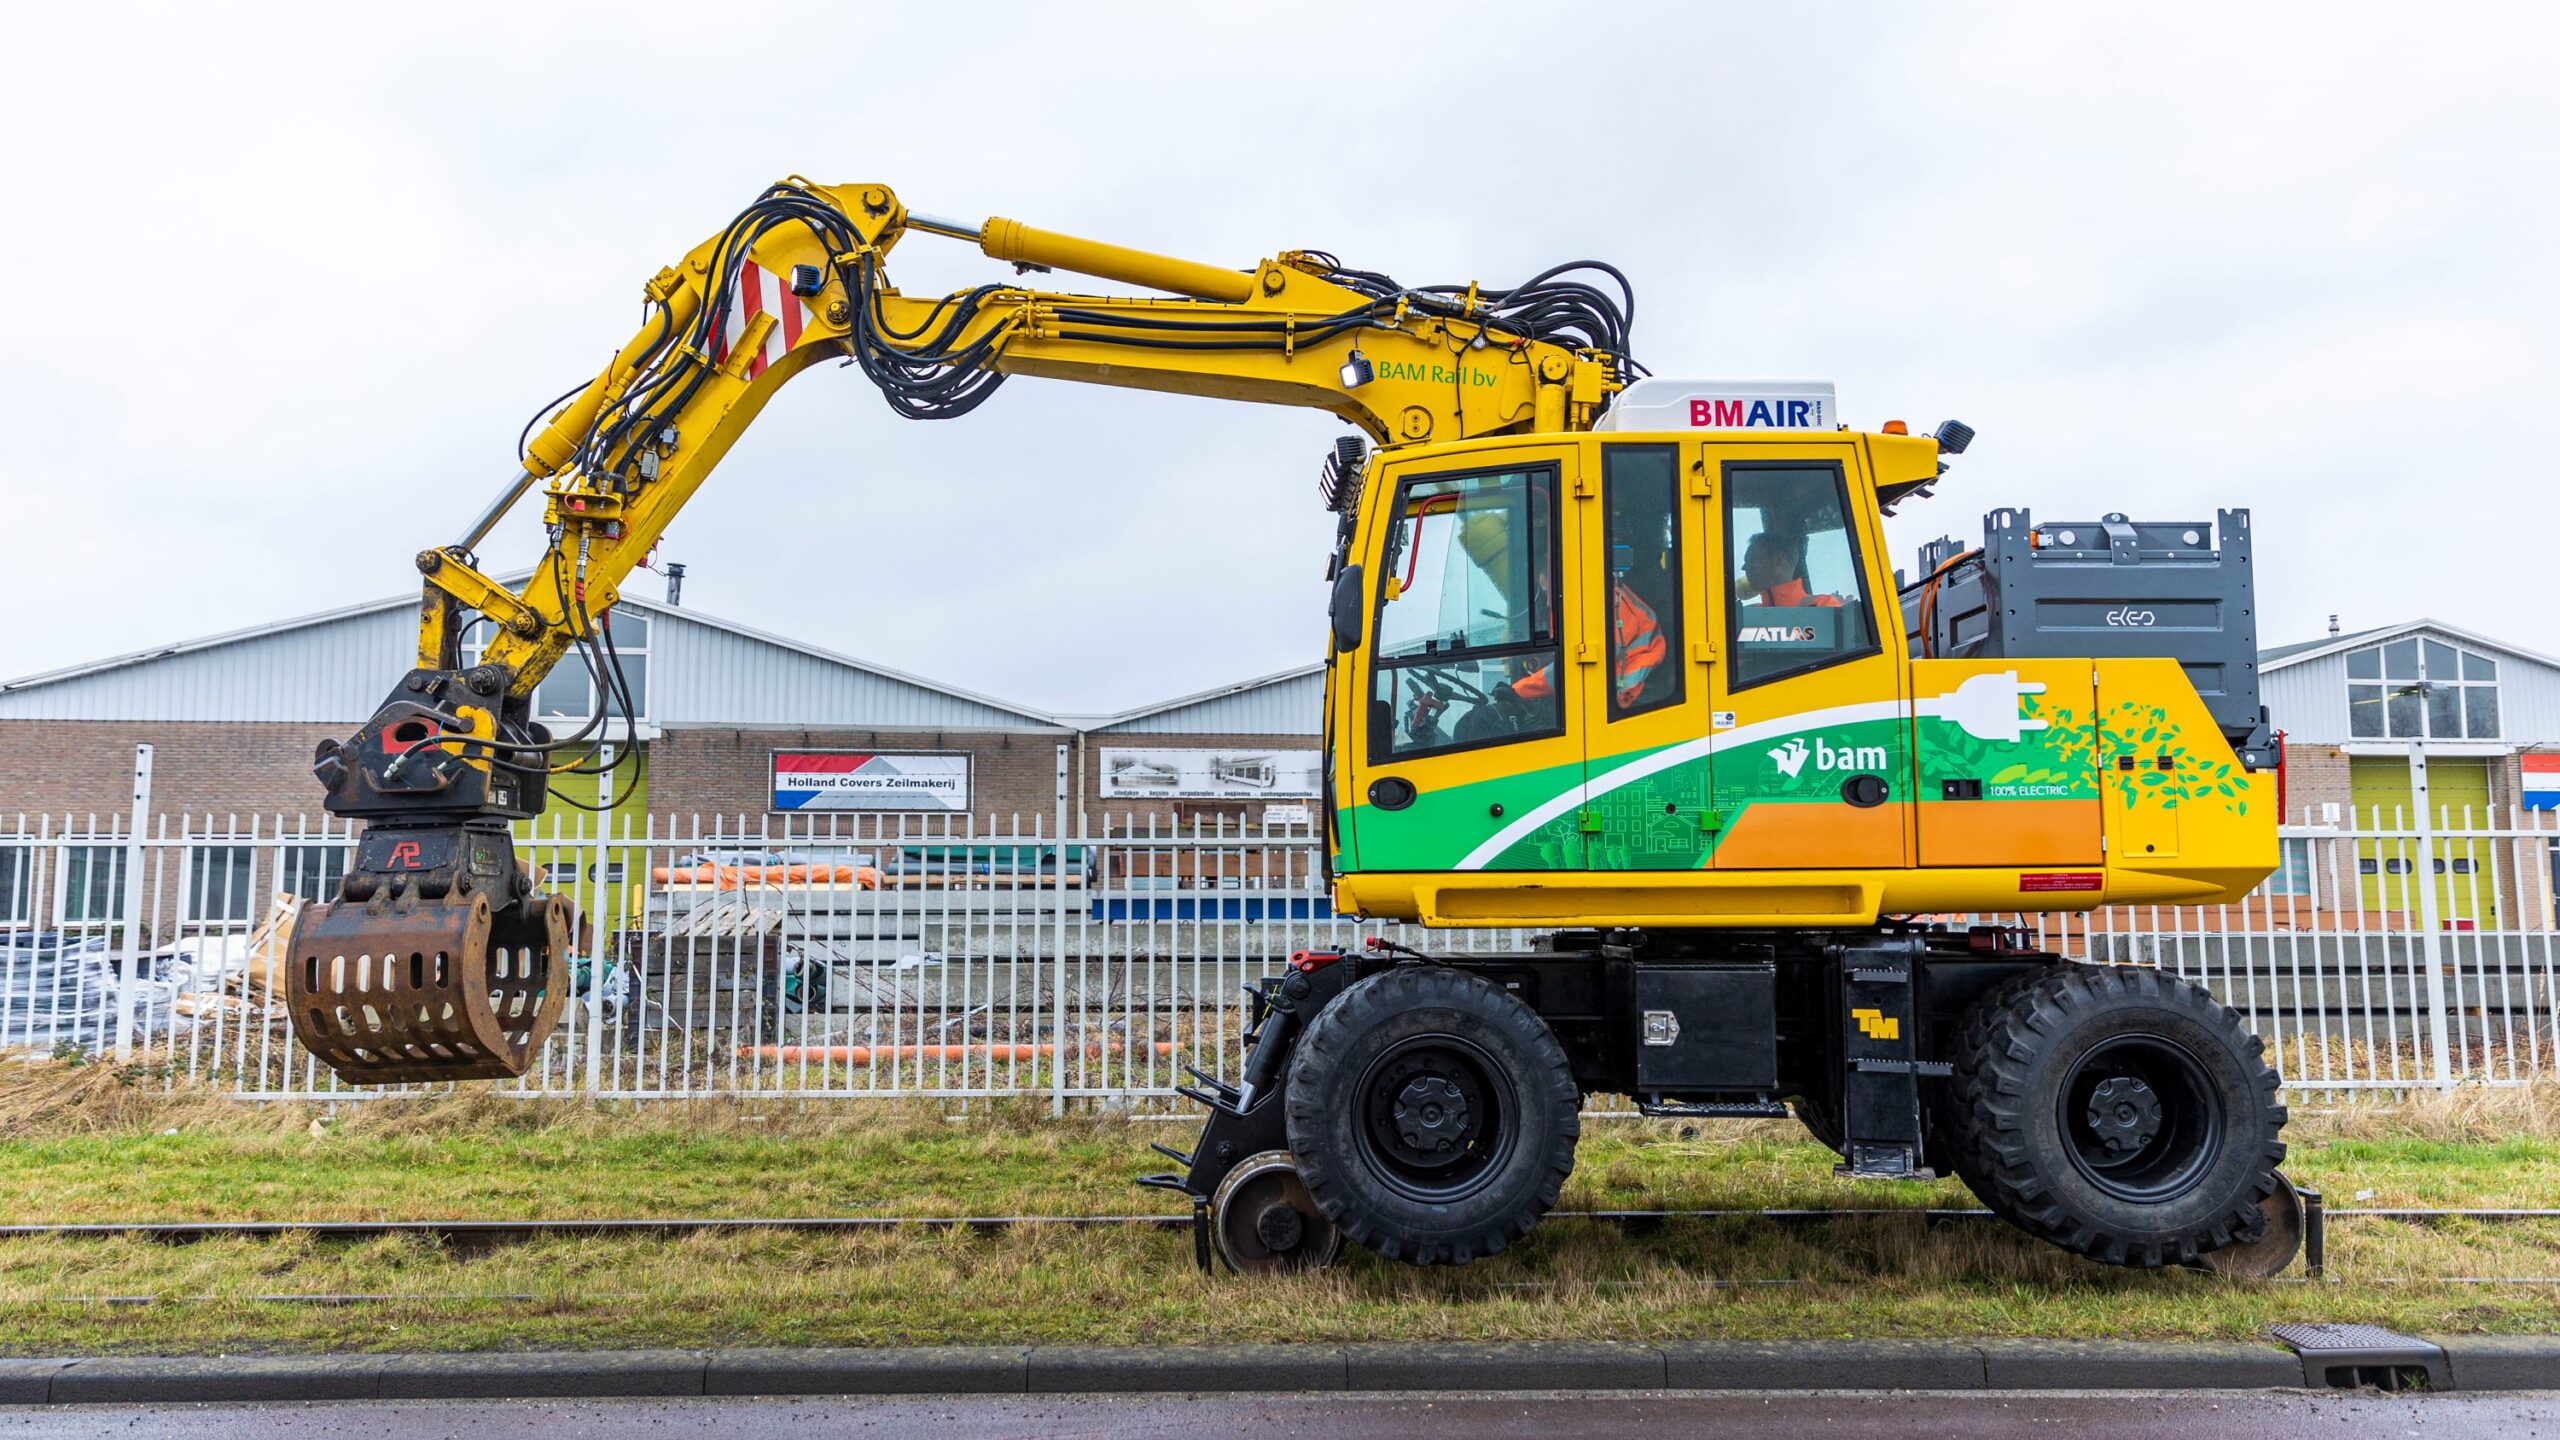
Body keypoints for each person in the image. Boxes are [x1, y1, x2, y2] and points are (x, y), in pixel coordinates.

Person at [1741, 531, 1843, 609]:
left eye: (1751, 560)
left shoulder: (1824, 606)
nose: (1744, 567)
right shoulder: (1745, 614)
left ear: (1778, 560)